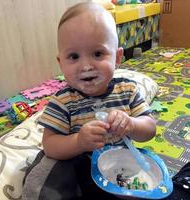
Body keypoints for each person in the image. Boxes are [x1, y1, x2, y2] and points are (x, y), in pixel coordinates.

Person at [22, 2, 156, 200]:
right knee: (49, 176)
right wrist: (79, 141)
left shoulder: (127, 90)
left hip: (119, 168)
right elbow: (50, 145)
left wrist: (132, 124)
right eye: (73, 56)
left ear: (117, 57)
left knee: (149, 183)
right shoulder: (63, 101)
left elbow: (150, 129)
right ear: (61, 63)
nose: (85, 66)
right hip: (79, 169)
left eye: (98, 53)